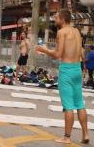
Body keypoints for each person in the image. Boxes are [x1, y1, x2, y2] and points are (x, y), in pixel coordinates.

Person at [36, 10, 89, 144]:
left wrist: (44, 50)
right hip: (78, 69)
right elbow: (82, 51)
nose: (55, 20)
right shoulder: (77, 32)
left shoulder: (62, 32)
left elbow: (58, 54)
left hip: (67, 70)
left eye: (56, 18)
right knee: (80, 104)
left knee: (68, 106)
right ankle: (85, 134)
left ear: (62, 19)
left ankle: (67, 137)